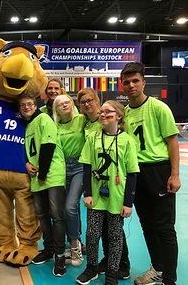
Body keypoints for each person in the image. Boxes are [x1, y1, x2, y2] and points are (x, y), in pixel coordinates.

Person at [121, 62, 181, 285]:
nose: (131, 85)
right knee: (147, 224)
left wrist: (174, 174)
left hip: (158, 170)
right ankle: (157, 268)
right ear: (122, 85)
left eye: (135, 81)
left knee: (164, 227)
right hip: (136, 174)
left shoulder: (158, 107)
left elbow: (172, 140)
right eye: (126, 82)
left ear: (143, 82)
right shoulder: (124, 113)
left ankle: (169, 280)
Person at [76, 100, 139, 285]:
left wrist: (128, 203)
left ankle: (112, 273)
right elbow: (87, 167)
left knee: (115, 236)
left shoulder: (127, 141)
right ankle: (92, 268)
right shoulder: (93, 138)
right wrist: (87, 193)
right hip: (96, 197)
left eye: (107, 112)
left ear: (118, 116)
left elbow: (132, 174)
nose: (102, 115)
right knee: (92, 234)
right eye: (101, 112)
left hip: (117, 198)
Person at [18, 93, 67, 277]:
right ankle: (48, 249)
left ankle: (60, 255)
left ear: (35, 104)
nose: (26, 107)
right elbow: (27, 150)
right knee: (43, 216)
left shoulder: (44, 118)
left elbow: (48, 146)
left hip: (50, 175)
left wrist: (43, 174)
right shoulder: (27, 125)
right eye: (23, 105)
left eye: (29, 104)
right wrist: (27, 164)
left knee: (56, 215)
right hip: (37, 176)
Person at [52, 94, 88, 267]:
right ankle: (76, 239)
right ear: (56, 109)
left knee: (70, 207)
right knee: (64, 209)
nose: (64, 105)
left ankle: (74, 246)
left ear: (72, 104)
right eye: (60, 104)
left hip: (79, 166)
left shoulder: (81, 120)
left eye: (67, 102)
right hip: (61, 168)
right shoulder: (54, 126)